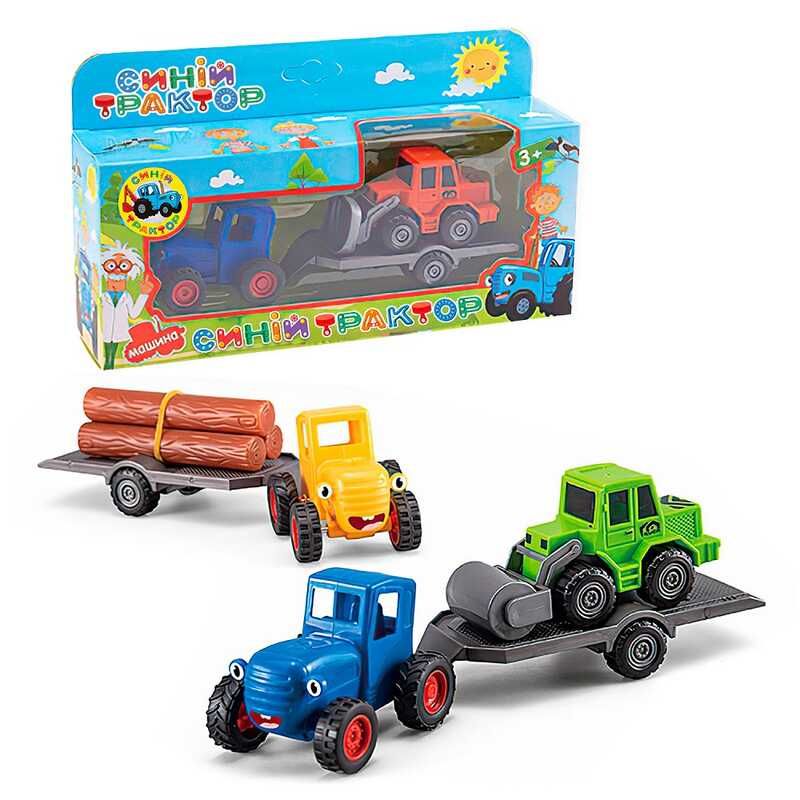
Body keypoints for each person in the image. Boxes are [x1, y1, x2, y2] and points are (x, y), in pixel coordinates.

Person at [99, 241, 152, 369]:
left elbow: (134, 314)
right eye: (112, 266)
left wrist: (144, 294)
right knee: (107, 343)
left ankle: (110, 362)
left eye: (123, 266)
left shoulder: (126, 297)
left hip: (118, 330)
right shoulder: (102, 296)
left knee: (113, 344)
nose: (117, 271)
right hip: (104, 329)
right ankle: (108, 362)